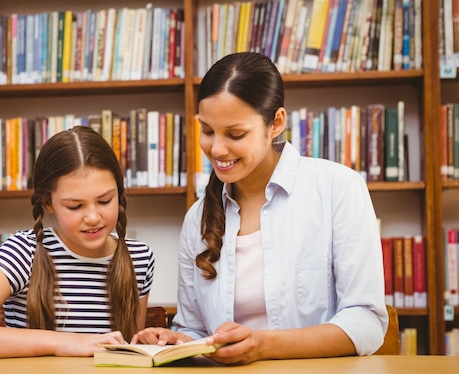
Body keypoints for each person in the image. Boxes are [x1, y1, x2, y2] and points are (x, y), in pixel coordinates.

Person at [131, 52, 388, 365]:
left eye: (235, 134)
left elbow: (366, 322)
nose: (217, 149)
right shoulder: (197, 218)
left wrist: (262, 345)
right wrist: (178, 340)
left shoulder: (338, 189)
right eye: (208, 131)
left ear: (276, 123)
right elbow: (196, 330)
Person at [0, 126, 154, 359]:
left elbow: (128, 351)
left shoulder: (139, 258)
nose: (93, 217)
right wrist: (63, 343)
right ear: (48, 203)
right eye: (75, 206)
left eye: (105, 200)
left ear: (119, 191)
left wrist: (146, 341)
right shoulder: (23, 252)